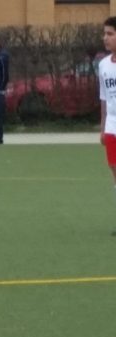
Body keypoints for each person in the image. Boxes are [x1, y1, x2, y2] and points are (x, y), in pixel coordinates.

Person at [97, 17, 116, 235]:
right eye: (105, 34)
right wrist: (102, 128)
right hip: (112, 127)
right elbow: (103, 97)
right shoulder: (103, 65)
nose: (105, 38)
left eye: (110, 34)